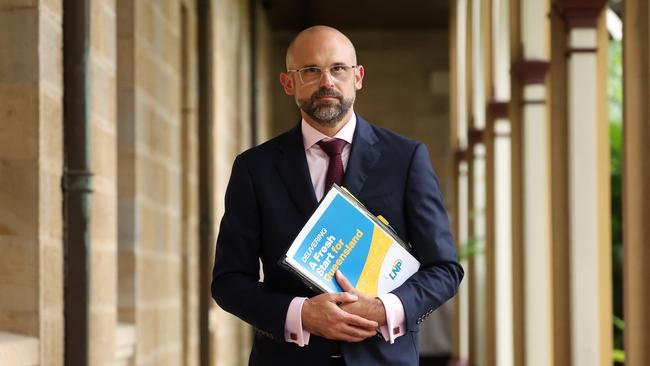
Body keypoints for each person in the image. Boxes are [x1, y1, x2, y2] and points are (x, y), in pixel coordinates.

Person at [211, 25, 463, 366]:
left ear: (358, 77)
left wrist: (382, 309)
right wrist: (300, 314)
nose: (327, 81)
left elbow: (445, 269)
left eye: (338, 69)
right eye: (311, 70)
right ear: (288, 83)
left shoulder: (405, 159)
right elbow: (228, 282)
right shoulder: (255, 168)